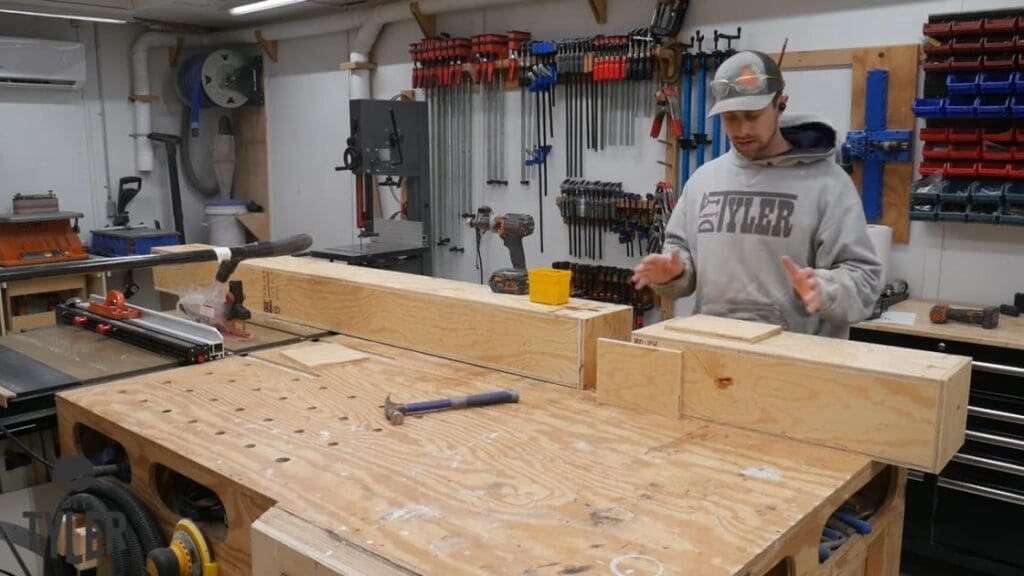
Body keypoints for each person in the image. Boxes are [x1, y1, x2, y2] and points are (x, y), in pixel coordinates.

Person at [632, 50, 882, 338]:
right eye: (730, 118)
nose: (742, 129)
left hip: (795, 358)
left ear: (780, 104)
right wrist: (674, 273)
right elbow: (681, 257)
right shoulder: (703, 181)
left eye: (753, 116)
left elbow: (865, 281)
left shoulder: (829, 184)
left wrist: (826, 290)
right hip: (713, 353)